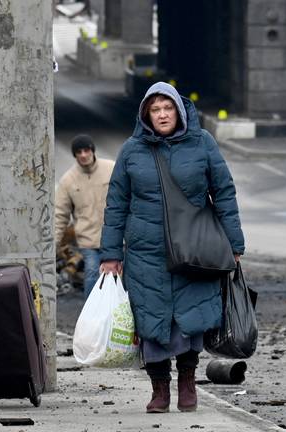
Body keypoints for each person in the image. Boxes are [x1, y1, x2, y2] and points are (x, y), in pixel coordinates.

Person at [99, 82, 244, 413]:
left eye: (168, 108)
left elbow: (224, 192)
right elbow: (116, 204)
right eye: (156, 109)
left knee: (190, 320)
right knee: (152, 323)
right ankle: (159, 389)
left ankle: (188, 383)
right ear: (146, 114)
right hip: (146, 253)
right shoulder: (132, 150)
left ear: (179, 110)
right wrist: (110, 254)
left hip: (194, 249)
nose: (163, 114)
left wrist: (234, 244)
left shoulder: (202, 143)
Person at [54, 134, 115, 299]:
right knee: (92, 274)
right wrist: (53, 245)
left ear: (92, 151)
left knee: (120, 277)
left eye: (86, 150)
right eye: (78, 152)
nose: (83, 155)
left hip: (116, 237)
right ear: (74, 155)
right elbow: (60, 214)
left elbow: (131, 198)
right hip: (89, 240)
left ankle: (119, 314)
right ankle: (91, 315)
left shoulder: (112, 168)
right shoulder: (68, 180)